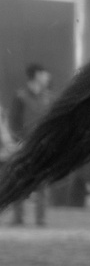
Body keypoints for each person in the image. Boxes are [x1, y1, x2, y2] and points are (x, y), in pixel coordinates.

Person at [8, 65, 52, 226]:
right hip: (24, 145)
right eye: (45, 74)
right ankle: (18, 217)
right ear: (36, 75)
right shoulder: (20, 96)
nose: (47, 77)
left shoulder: (48, 97)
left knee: (42, 182)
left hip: (42, 145)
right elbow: (13, 122)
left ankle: (41, 219)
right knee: (19, 180)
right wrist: (19, 141)